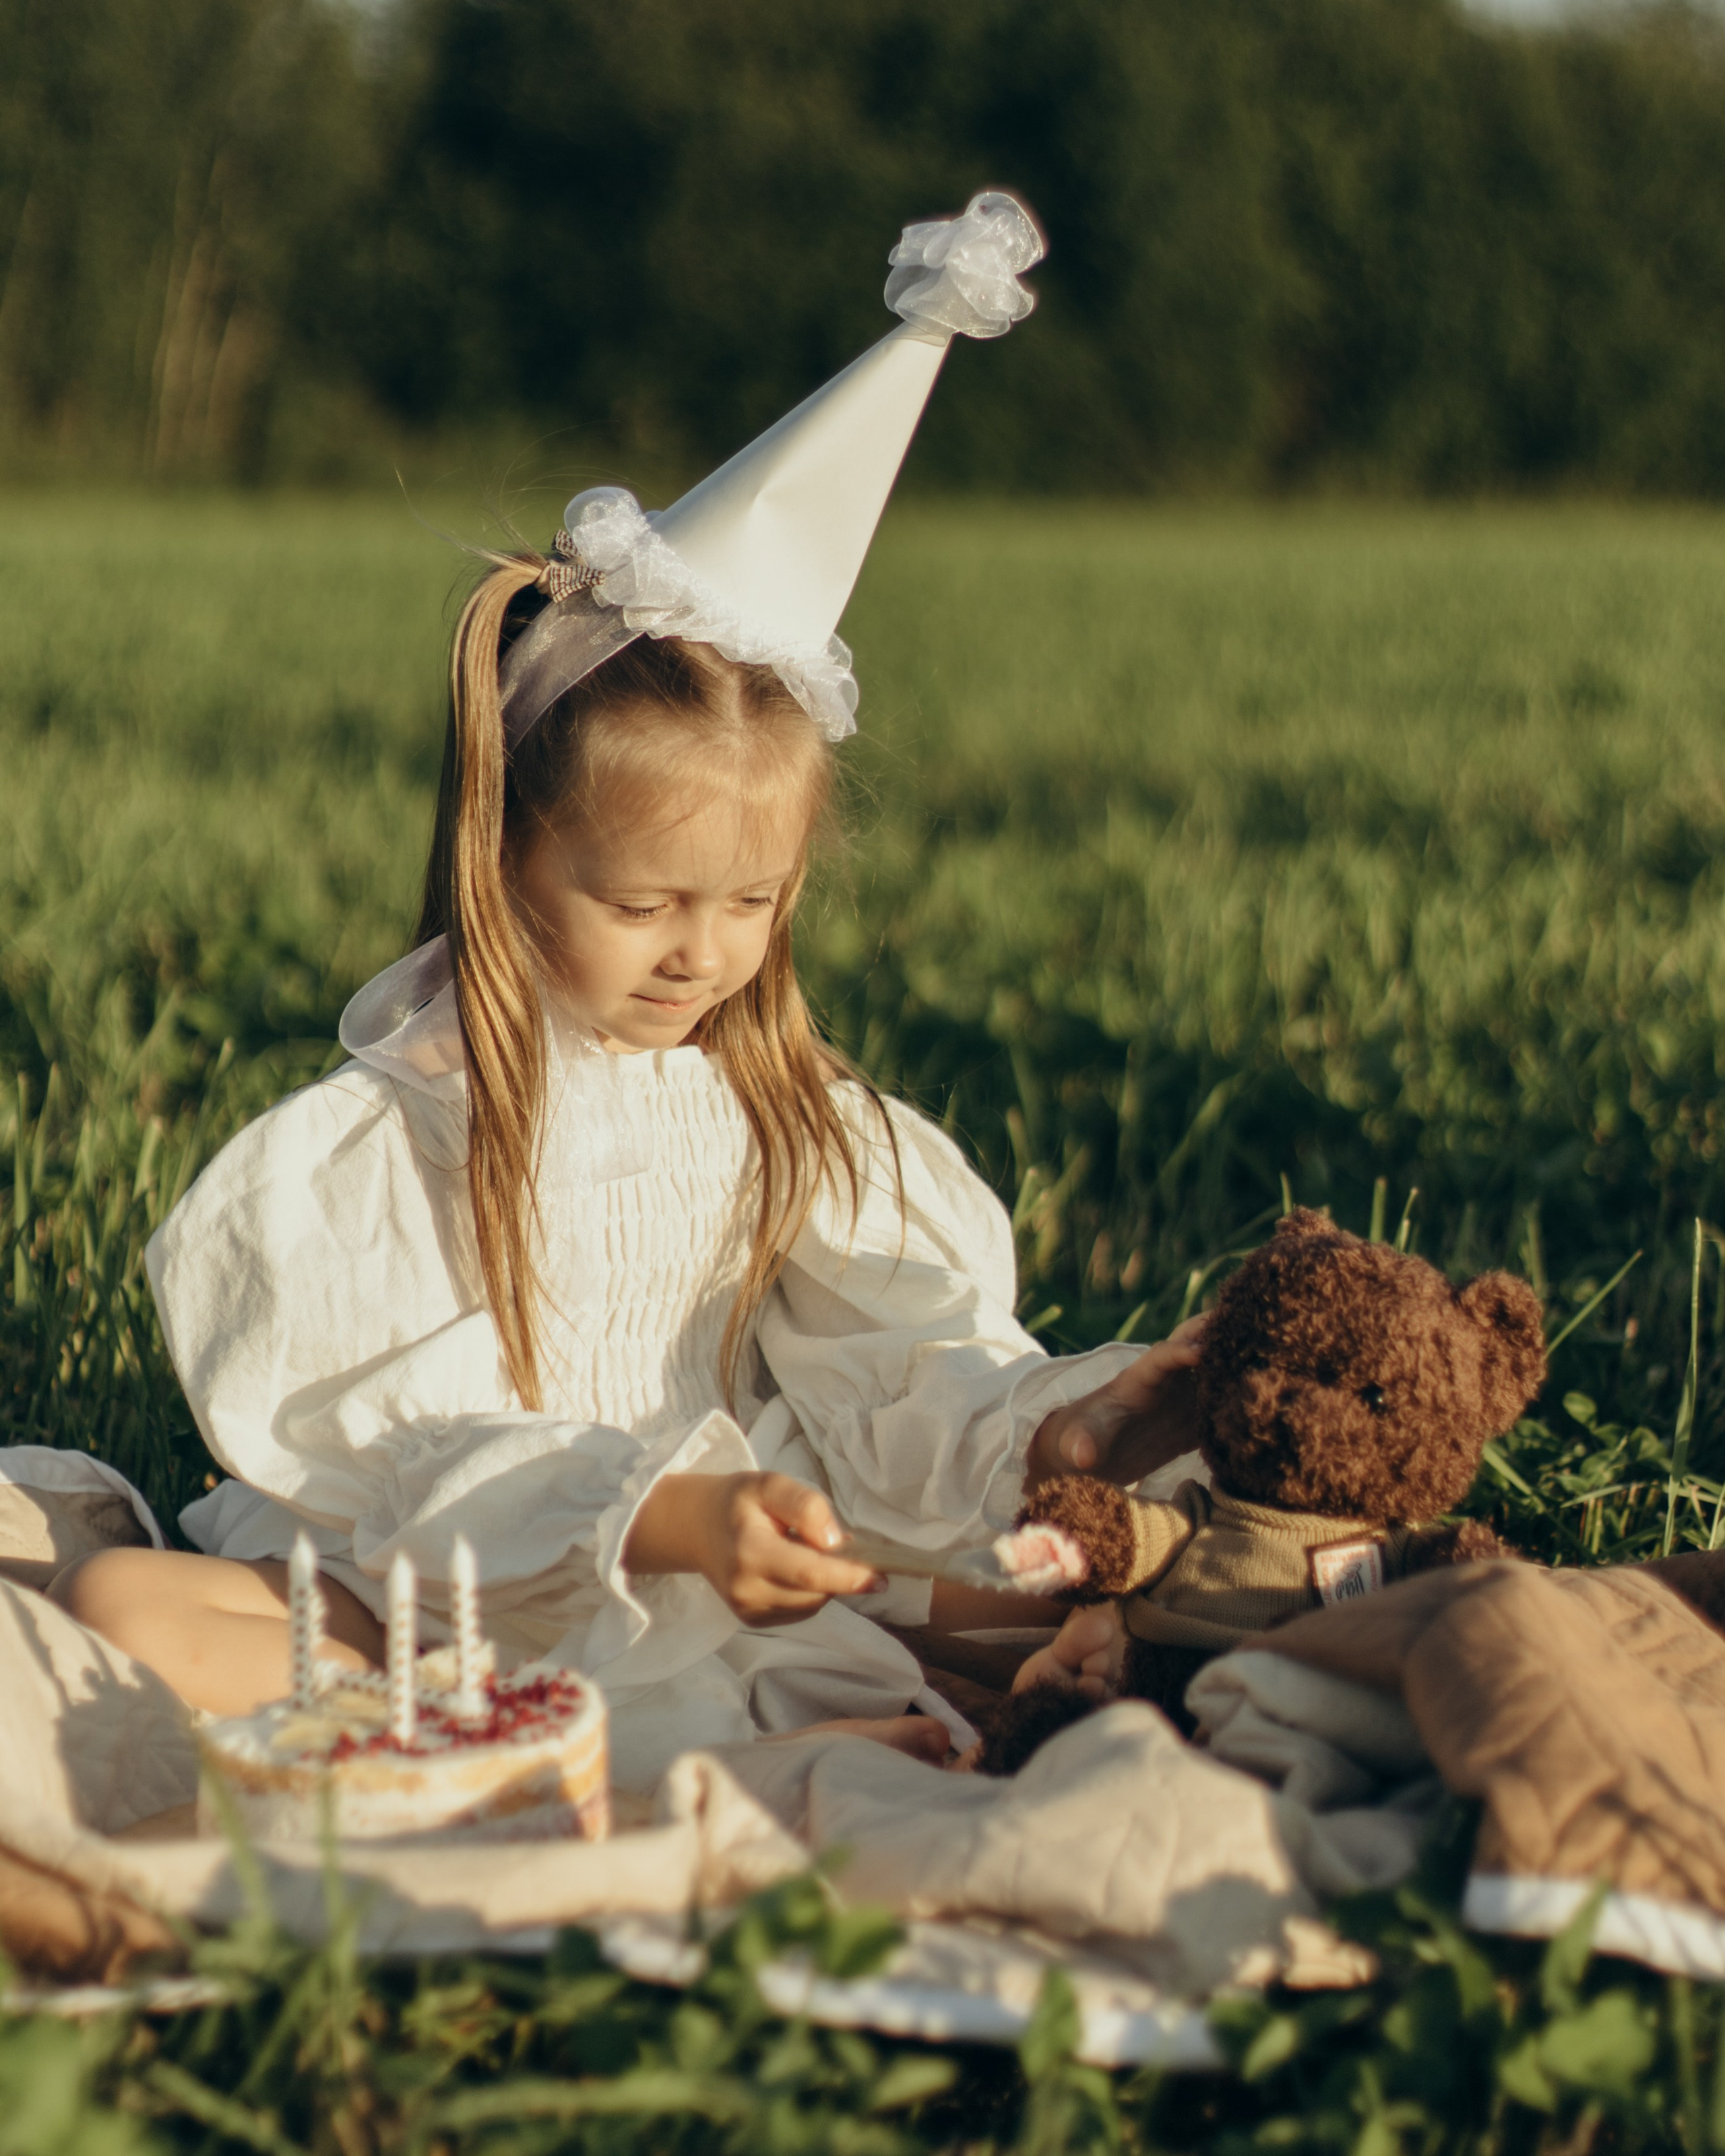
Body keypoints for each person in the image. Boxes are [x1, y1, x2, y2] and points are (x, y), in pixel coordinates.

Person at [51, 195, 1203, 1790]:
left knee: (1114, 1581)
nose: (699, 953)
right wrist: (659, 1516)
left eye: (749, 903)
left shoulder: (785, 1116)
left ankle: (692, 1731)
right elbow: (393, 1466)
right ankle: (634, 1748)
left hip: (726, 1584)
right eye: (640, 902)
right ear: (505, 855)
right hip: (472, 1587)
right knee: (123, 1602)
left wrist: (1062, 1429)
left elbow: (902, 1380)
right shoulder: (402, 1132)